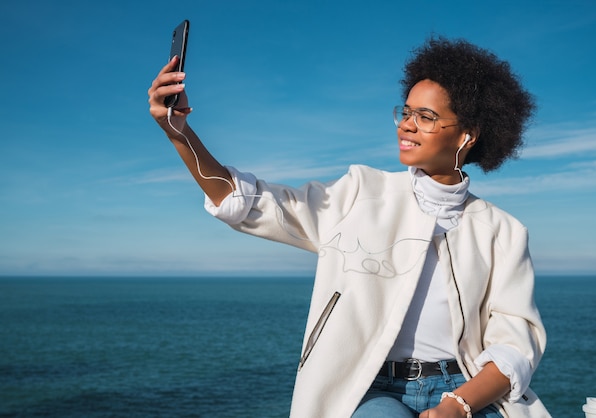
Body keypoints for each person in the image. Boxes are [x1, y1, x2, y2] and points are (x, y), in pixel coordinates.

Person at [148, 36, 549, 418]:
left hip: (463, 389)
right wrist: (179, 133)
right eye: (406, 112)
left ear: (467, 135)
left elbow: (516, 344)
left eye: (425, 117)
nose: (407, 125)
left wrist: (457, 406)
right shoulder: (360, 192)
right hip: (367, 388)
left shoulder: (504, 231)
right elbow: (249, 203)